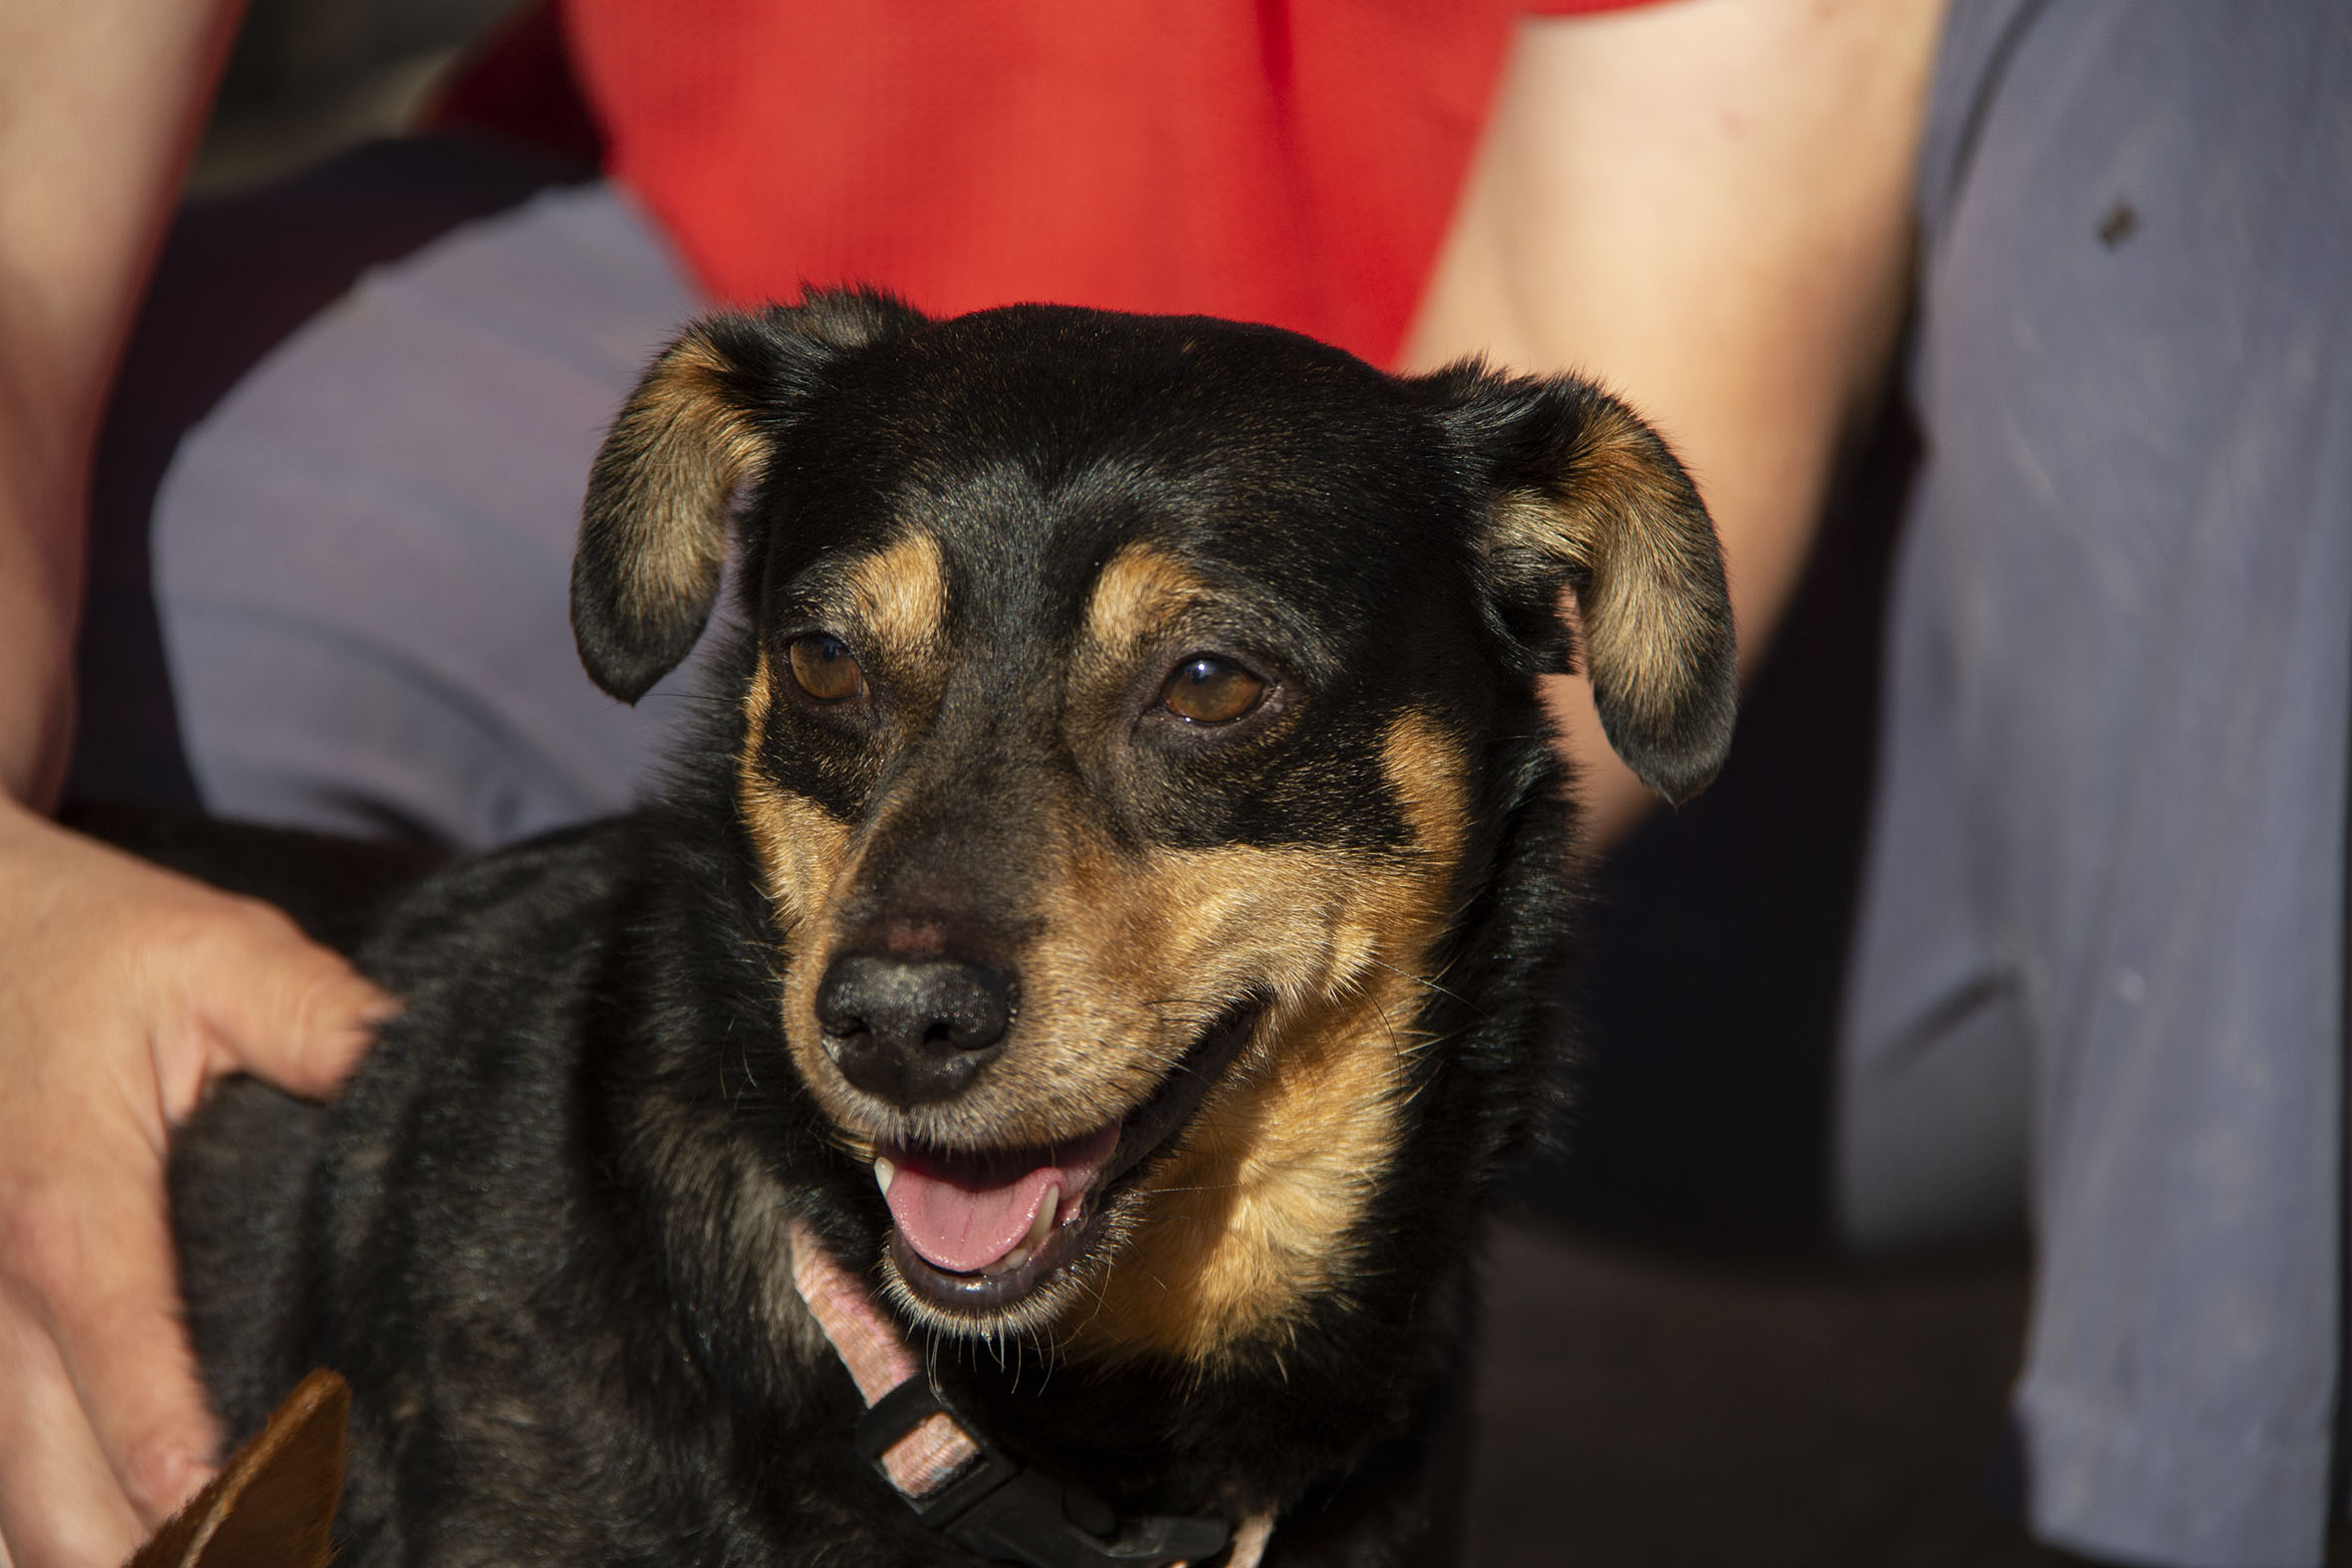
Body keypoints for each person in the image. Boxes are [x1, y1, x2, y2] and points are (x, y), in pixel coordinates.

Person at [7, 1, 2343, 1565]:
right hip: (647, 248)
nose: (910, 977)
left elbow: (1586, 417)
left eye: (1200, 688)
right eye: (833, 670)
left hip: (1835, 729)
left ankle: (2196, 1488)